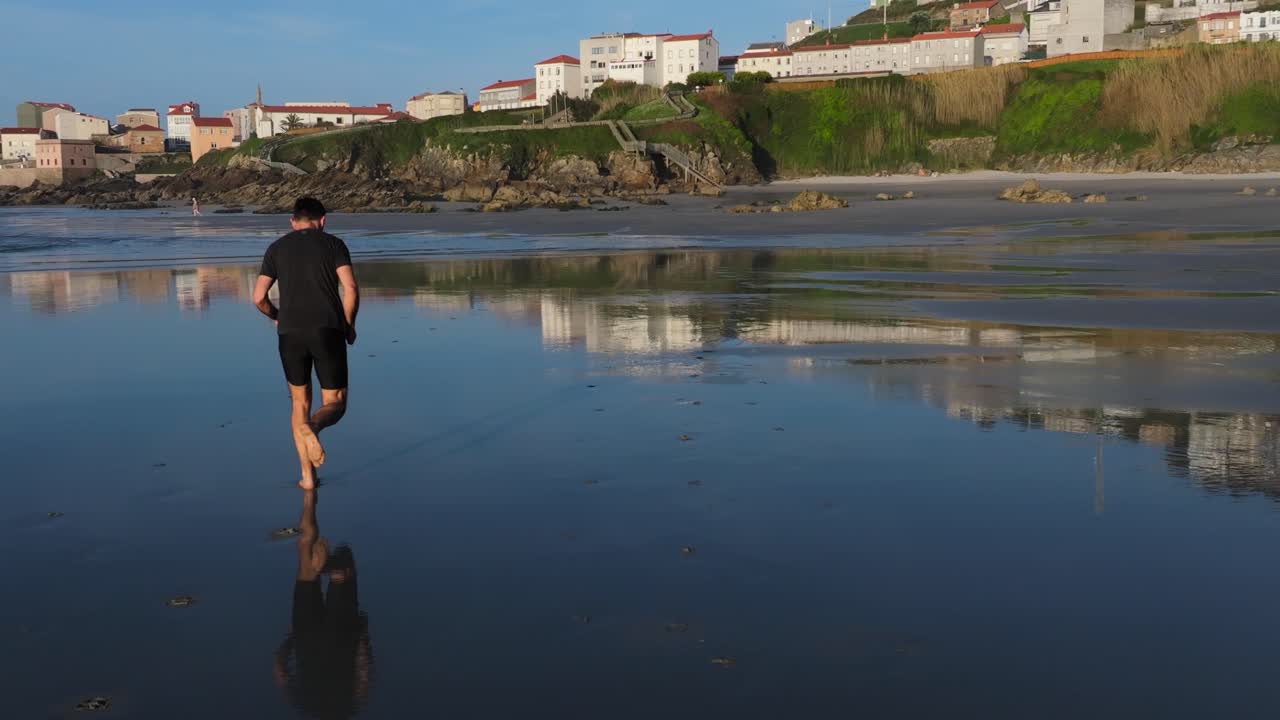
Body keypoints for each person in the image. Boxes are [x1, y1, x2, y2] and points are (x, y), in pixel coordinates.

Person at [252, 198, 359, 490]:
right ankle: (312, 427)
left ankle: (308, 478)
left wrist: (277, 316)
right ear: (322, 221)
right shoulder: (334, 245)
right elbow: (349, 288)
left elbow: (258, 297)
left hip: (290, 334)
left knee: (299, 402)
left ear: (292, 222)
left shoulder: (276, 248)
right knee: (335, 403)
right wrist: (349, 325)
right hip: (327, 330)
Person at [273, 489, 373, 718]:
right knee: (305, 558)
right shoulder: (305, 705)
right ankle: (308, 501)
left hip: (342, 638)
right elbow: (280, 669)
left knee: (344, 563)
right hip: (305, 636)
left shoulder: (350, 705)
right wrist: (291, 639)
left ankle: (332, 569)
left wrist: (363, 636)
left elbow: (364, 671)